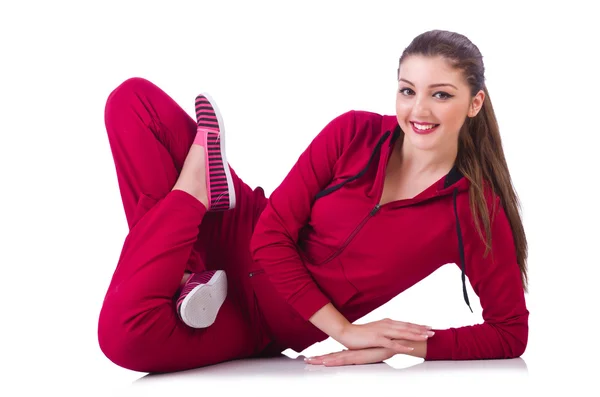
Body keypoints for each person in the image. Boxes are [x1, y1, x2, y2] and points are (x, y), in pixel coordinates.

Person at [98, 29, 529, 374]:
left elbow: (509, 333)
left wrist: (394, 343)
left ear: (475, 103)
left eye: (441, 94)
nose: (419, 110)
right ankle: (192, 240)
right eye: (407, 90)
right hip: (241, 225)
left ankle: (187, 231)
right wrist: (342, 329)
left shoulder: (474, 213)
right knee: (132, 102)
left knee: (123, 337)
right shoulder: (354, 133)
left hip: (254, 320)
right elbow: (269, 236)